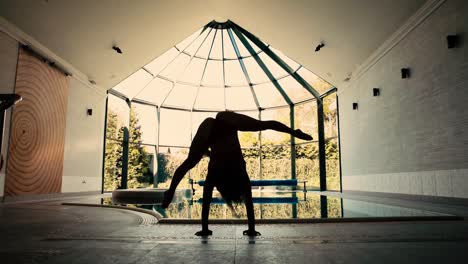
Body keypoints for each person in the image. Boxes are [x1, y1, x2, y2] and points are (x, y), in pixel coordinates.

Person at [162, 111, 313, 236]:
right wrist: (251, 229)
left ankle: (294, 132)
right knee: (260, 125)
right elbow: (245, 199)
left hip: (217, 145)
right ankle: (294, 132)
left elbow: (213, 196)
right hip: (219, 139)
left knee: (191, 161)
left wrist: (172, 191)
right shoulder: (236, 171)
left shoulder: (227, 171)